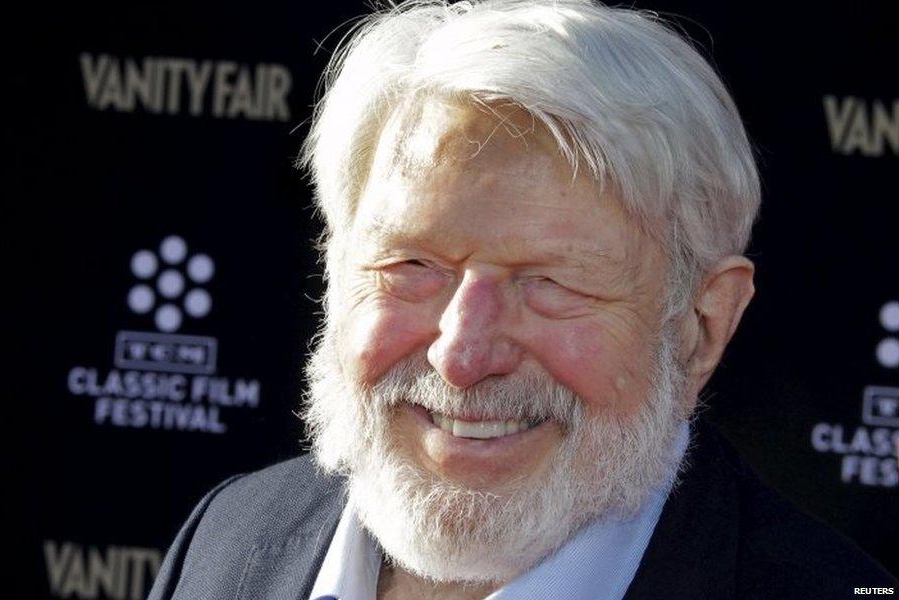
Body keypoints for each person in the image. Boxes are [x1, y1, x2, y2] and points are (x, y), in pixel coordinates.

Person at [148, 1, 897, 598]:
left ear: (701, 327)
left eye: (552, 284)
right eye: (412, 264)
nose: (463, 355)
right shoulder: (228, 540)